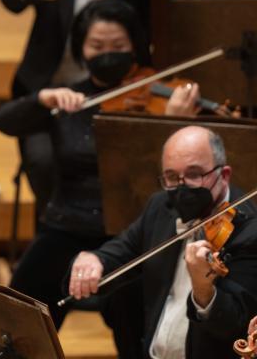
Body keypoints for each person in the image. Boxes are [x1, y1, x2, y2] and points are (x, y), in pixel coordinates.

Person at [0, 0, 200, 356]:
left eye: (119, 46)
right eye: (97, 46)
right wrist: (41, 98)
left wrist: (170, 123)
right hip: (65, 226)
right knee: (16, 314)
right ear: (81, 49)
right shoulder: (71, 99)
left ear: (135, 46)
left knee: (134, 318)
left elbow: (168, 172)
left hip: (128, 235)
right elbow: (5, 121)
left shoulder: (160, 99)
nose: (108, 54)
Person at [0, 0, 212, 224]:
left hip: (119, 90)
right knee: (43, 161)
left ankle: (124, 237)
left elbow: (166, 33)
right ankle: (55, 230)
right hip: (56, 97)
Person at [68, 126, 257, 358]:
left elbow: (235, 325)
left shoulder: (249, 230)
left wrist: (203, 290)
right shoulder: (161, 207)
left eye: (194, 174)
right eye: (171, 177)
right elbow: (123, 249)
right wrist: (94, 259)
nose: (181, 186)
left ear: (224, 174)